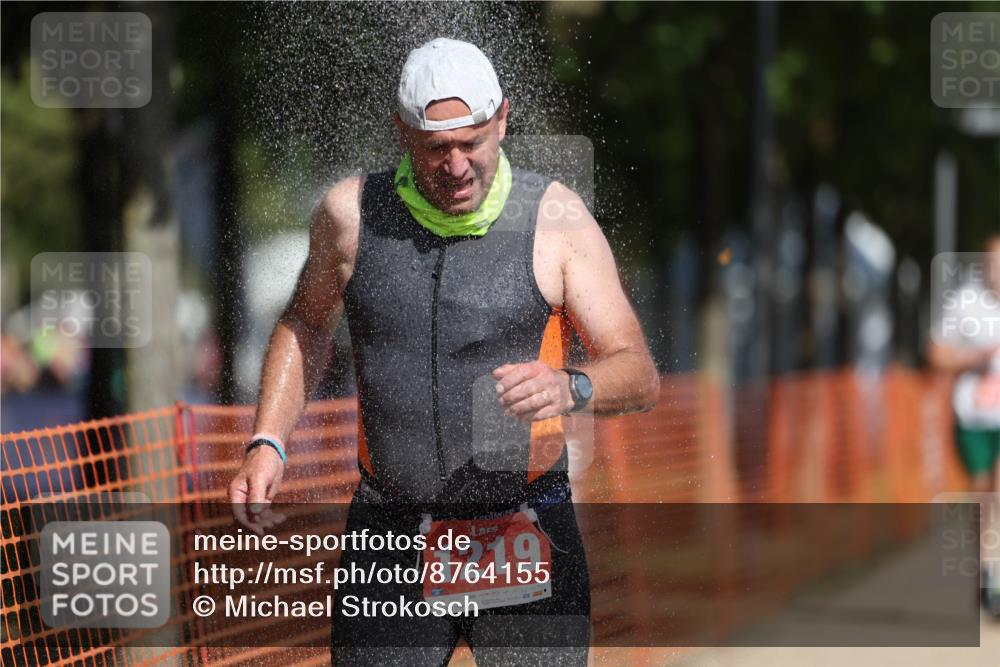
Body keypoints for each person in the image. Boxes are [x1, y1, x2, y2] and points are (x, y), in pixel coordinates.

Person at [229, 37, 659, 664]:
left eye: (472, 143)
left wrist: (571, 385)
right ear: (402, 132)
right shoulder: (351, 216)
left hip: (523, 526)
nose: (456, 166)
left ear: (502, 120)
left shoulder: (555, 219)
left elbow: (638, 372)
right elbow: (306, 323)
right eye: (436, 148)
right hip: (392, 530)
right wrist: (268, 440)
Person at [927, 233, 1000, 616]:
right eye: (994, 264)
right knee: (983, 493)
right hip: (973, 418)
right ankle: (988, 569)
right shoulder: (965, 303)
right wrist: (971, 358)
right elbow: (936, 354)